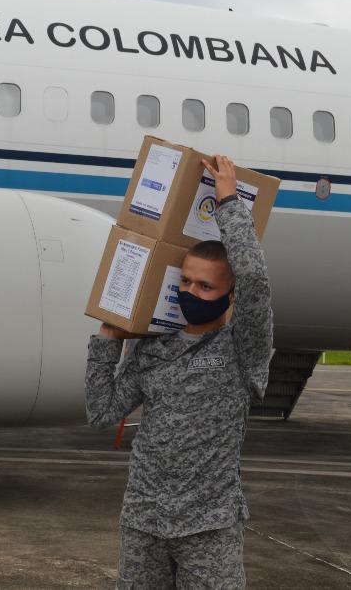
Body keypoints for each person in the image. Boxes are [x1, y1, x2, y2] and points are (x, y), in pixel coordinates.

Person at [86, 154, 274, 589]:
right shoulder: (155, 348)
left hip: (208, 527)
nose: (191, 291)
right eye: (186, 281)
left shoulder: (242, 349)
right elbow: (101, 410)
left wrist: (228, 202)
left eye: (205, 286)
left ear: (229, 297)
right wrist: (106, 342)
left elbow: (256, 279)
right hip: (143, 521)